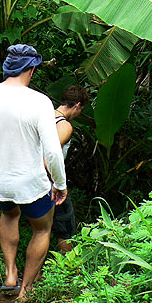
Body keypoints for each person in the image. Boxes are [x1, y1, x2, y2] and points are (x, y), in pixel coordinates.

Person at [0, 43, 67, 303]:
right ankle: (26, 290)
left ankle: (10, 274)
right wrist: (60, 183)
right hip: (30, 182)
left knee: (9, 214)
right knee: (42, 229)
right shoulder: (40, 102)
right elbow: (53, 152)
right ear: (31, 70)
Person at [52, 85, 89, 253]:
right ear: (77, 105)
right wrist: (59, 184)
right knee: (65, 228)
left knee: (40, 228)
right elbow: (50, 155)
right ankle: (65, 270)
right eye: (80, 109)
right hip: (50, 181)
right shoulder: (63, 126)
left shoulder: (43, 116)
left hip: (27, 177)